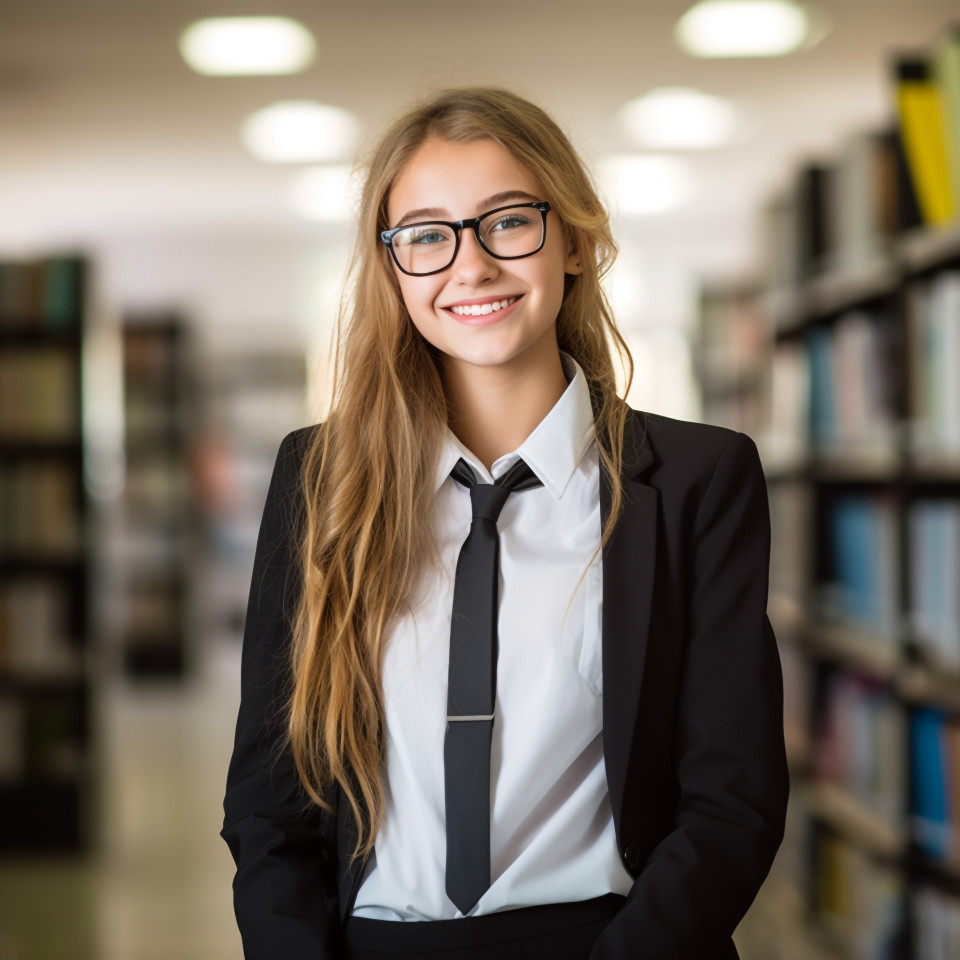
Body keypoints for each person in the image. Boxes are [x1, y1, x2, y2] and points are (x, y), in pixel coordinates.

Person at [221, 86, 789, 960]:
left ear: (577, 241)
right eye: (427, 236)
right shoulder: (320, 478)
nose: (472, 265)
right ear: (391, 268)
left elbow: (732, 800)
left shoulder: (696, 480)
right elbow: (270, 801)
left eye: (510, 221)